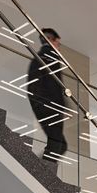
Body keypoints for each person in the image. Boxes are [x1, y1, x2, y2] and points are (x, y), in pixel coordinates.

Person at [27, 27, 68, 163]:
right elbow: (51, 86)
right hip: (49, 107)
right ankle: (40, 171)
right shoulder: (49, 56)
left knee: (60, 144)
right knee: (57, 144)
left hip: (47, 106)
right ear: (51, 40)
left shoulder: (42, 57)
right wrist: (57, 106)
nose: (59, 47)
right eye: (58, 43)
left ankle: (39, 168)